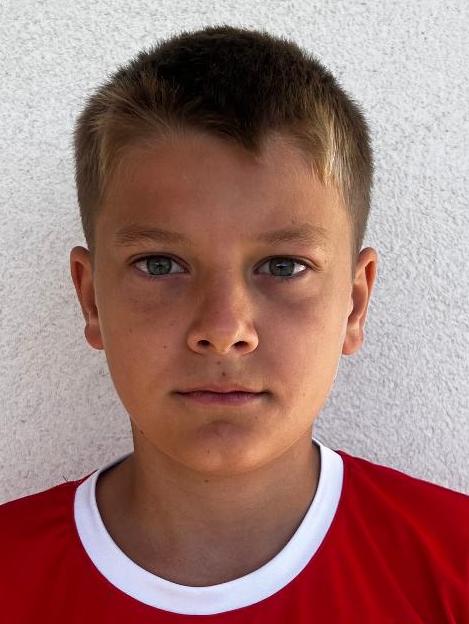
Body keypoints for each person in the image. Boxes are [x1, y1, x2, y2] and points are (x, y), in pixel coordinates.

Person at [1, 24, 468, 623]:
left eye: (283, 266)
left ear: (354, 303)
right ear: (91, 299)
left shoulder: (453, 568)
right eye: (160, 264)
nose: (223, 330)